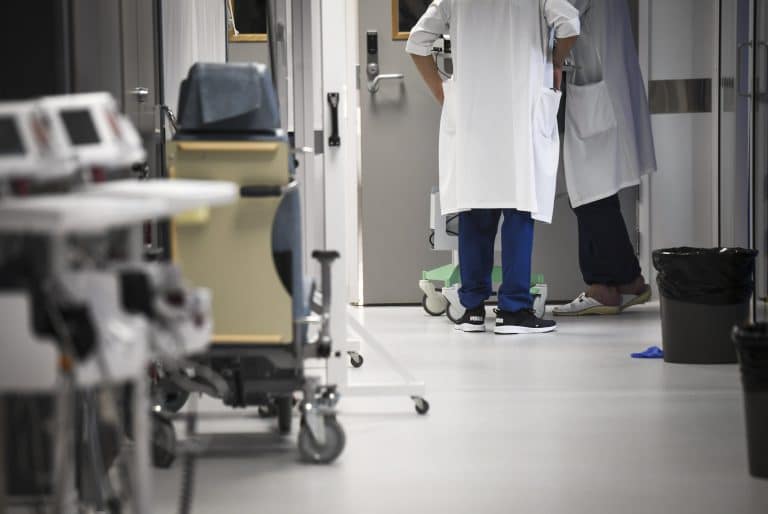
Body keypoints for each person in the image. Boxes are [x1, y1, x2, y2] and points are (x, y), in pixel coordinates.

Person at [407, 0, 580, 334]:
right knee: (519, 208)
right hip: (521, 111)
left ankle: (472, 309)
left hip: (473, 114)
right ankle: (513, 311)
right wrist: (554, 61)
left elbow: (417, 43)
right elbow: (570, 24)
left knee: (475, 209)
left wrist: (443, 94)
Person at [552, 0, 657, 316]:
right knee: (594, 193)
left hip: (593, 91)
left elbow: (560, 19)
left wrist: (552, 62)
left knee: (589, 196)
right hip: (600, 85)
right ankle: (626, 281)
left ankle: (605, 287)